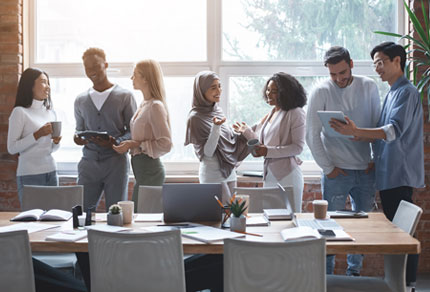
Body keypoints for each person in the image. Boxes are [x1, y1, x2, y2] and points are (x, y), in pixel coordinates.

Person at [330, 41, 424, 286]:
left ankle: (407, 284)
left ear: (397, 61)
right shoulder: (392, 91)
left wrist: (357, 130)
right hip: (387, 172)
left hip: (399, 173)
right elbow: (382, 133)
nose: (377, 69)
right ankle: (401, 282)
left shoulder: (407, 92)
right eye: (375, 65)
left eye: (381, 63)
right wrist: (360, 139)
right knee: (398, 231)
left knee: (403, 235)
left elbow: (393, 131)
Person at [306, 46, 381, 276]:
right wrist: (328, 169)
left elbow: (378, 126)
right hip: (337, 172)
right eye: (332, 74)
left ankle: (354, 274)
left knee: (362, 228)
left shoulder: (369, 86)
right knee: (328, 229)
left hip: (365, 170)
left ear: (351, 64)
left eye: (342, 72)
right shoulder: (320, 91)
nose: (338, 78)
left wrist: (374, 159)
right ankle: (327, 279)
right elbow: (311, 134)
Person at [74, 48, 137, 211]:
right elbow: (79, 129)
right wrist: (78, 138)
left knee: (116, 212)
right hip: (89, 163)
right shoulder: (80, 100)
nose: (92, 71)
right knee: (81, 213)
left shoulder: (125, 96)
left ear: (106, 64)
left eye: (96, 66)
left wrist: (116, 141)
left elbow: (133, 131)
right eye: (87, 68)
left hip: (116, 163)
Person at [233, 72, 306, 212]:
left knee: (290, 221)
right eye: (268, 90)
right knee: (270, 221)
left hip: (288, 176)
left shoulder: (296, 113)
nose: (268, 94)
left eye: (274, 91)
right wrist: (245, 131)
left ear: (285, 93)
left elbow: (298, 147)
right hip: (269, 175)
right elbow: (259, 141)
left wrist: (267, 151)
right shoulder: (272, 112)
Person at [113, 59, 172, 211]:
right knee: (139, 216)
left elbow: (166, 144)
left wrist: (135, 144)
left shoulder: (155, 106)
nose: (131, 78)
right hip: (141, 172)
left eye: (135, 75)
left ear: (145, 78)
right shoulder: (144, 104)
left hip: (150, 171)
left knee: (145, 219)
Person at [185, 71, 249, 199]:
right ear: (201, 91)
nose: (219, 91)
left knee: (233, 214)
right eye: (213, 88)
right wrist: (216, 127)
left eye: (220, 86)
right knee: (220, 215)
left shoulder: (217, 111)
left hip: (229, 172)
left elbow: (228, 142)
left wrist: (245, 132)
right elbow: (208, 152)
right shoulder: (195, 118)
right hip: (212, 175)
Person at [7, 68, 61, 205]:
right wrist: (37, 134)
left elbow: (52, 149)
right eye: (43, 82)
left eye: (48, 82)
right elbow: (12, 148)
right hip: (29, 174)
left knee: (54, 221)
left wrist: (55, 142)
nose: (48, 87)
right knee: (32, 222)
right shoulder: (19, 112)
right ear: (30, 85)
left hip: (51, 172)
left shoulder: (51, 113)